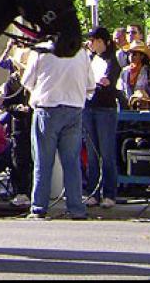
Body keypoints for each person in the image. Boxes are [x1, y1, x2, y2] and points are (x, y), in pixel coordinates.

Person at [21, 45, 95, 220]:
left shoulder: (41, 51)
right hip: (74, 109)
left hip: (47, 108)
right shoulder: (81, 52)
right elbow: (91, 85)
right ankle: (76, 208)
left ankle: (39, 207)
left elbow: (27, 81)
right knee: (71, 163)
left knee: (43, 161)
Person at [82, 27, 122, 209]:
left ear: (103, 41)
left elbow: (108, 82)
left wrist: (99, 84)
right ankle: (92, 192)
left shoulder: (113, 59)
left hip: (105, 109)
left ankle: (110, 193)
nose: (91, 44)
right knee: (92, 153)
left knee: (107, 153)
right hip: (89, 107)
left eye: (94, 40)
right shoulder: (89, 59)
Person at [0, 46, 33, 207]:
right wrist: (17, 108)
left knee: (35, 158)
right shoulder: (12, 82)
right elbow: (5, 103)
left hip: (33, 122)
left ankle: (32, 190)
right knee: (19, 158)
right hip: (18, 124)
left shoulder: (35, 80)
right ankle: (20, 191)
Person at [117, 40, 150, 110]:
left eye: (134, 54)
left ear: (142, 56)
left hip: (145, 111)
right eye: (130, 53)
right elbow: (120, 89)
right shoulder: (124, 71)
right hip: (126, 110)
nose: (131, 56)